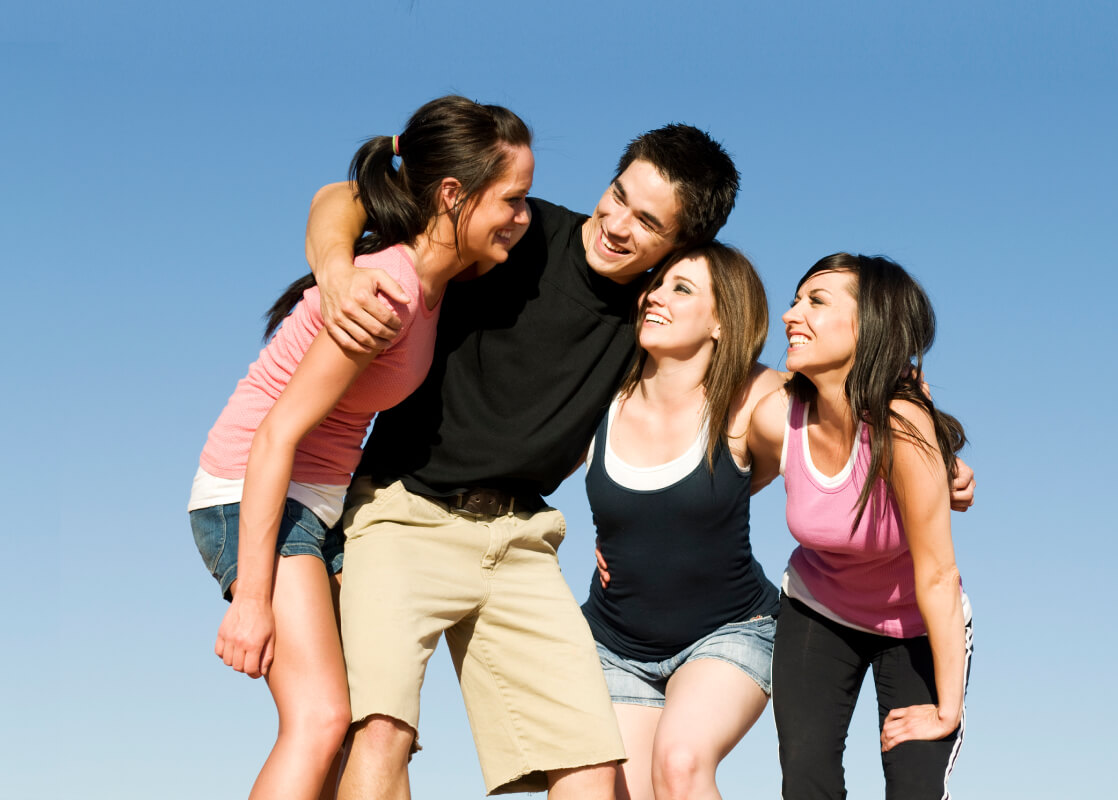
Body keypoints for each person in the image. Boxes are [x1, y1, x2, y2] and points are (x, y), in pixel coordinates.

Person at [304, 124, 741, 798]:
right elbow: (344, 195)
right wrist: (335, 268)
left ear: (680, 246)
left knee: (592, 761)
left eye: (646, 222)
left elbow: (756, 408)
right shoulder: (517, 233)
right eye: (618, 195)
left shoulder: (654, 319)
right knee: (382, 731)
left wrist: (918, 436)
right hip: (403, 513)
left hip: (520, 541)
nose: (616, 223)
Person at [187, 95, 533, 800]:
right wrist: (251, 598)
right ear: (451, 195)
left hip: (319, 506)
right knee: (319, 719)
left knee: (377, 725)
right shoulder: (388, 295)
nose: (525, 218)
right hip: (254, 494)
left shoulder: (438, 279)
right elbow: (277, 434)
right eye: (514, 200)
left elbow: (339, 193)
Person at [748, 253, 973, 799]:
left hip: (914, 624)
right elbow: (716, 489)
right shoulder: (778, 415)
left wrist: (947, 712)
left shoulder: (901, 425)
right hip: (819, 610)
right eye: (797, 298)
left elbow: (939, 574)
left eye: (816, 301)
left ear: (870, 326)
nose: (790, 314)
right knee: (806, 780)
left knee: (915, 789)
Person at [581, 242, 782, 800]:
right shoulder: (603, 394)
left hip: (731, 630)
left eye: (682, 289)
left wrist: (938, 459)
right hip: (615, 642)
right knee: (599, 788)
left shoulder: (753, 397)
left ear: (722, 322)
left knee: (681, 761)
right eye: (659, 283)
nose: (656, 297)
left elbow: (845, 432)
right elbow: (519, 465)